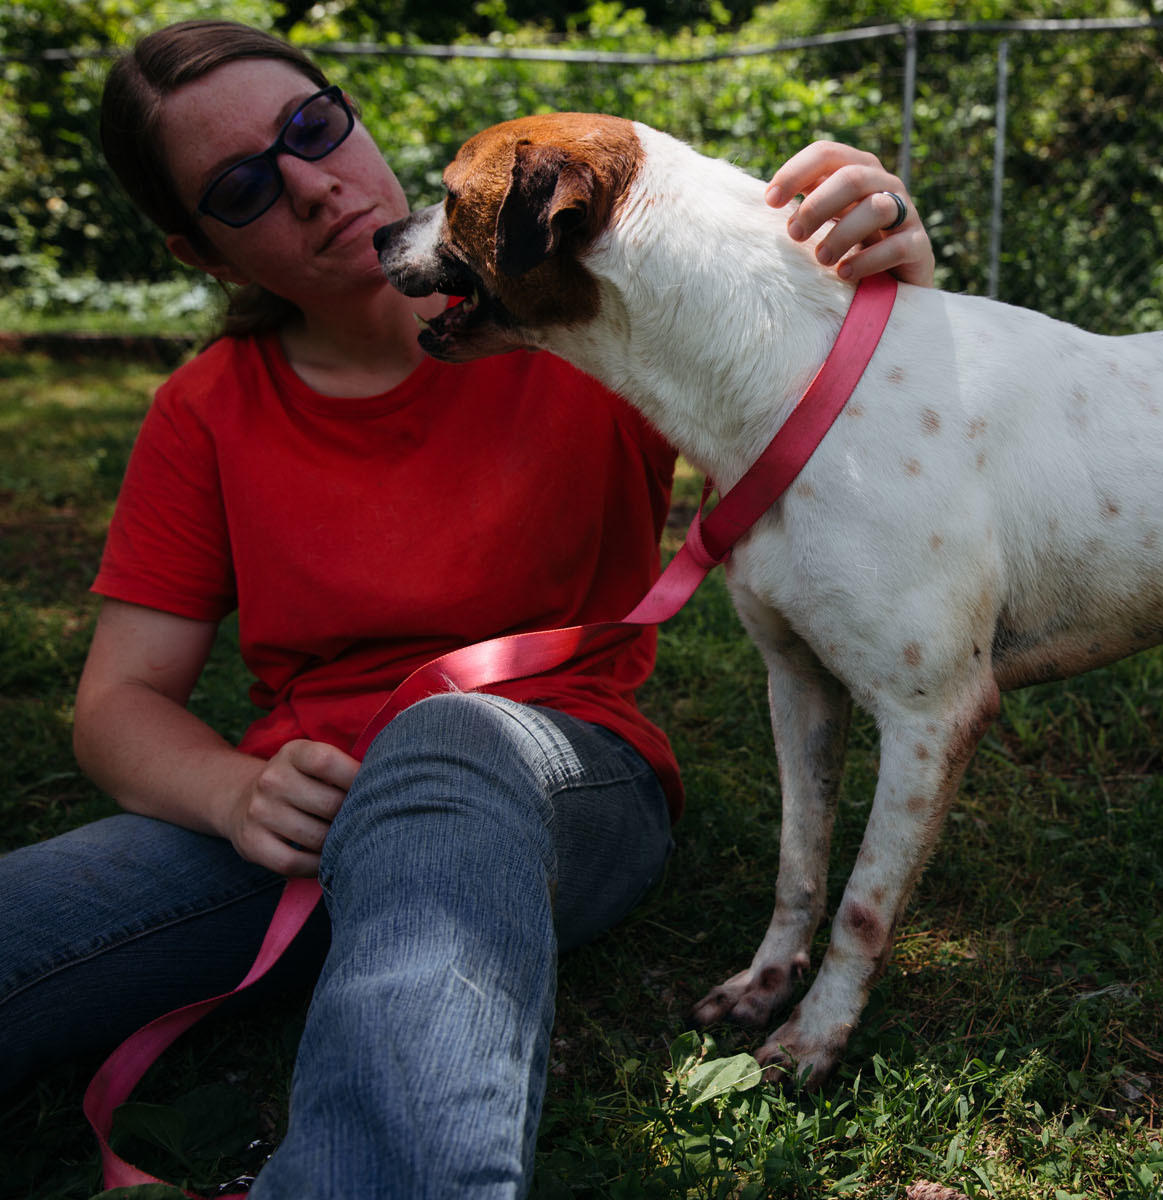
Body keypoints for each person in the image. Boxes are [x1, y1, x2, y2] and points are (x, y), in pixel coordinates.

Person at [0, 18, 935, 1197]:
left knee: (446, 741)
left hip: (550, 775)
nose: (308, 181)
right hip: (299, 817)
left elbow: (850, 431)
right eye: (243, 185)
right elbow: (116, 706)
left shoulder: (582, 314)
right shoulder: (203, 413)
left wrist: (873, 261)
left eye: (312, 127)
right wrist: (233, 791)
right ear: (207, 255)